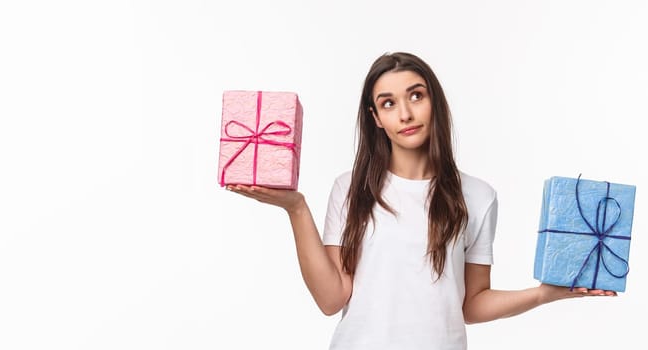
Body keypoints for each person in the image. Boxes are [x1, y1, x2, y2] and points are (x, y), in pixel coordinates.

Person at [226, 52, 616, 349]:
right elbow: (331, 300)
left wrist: (544, 294)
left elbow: (470, 304)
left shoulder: (478, 196)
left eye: (416, 95)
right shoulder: (349, 188)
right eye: (389, 103)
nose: (407, 113)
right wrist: (296, 208)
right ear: (375, 117)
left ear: (435, 101)